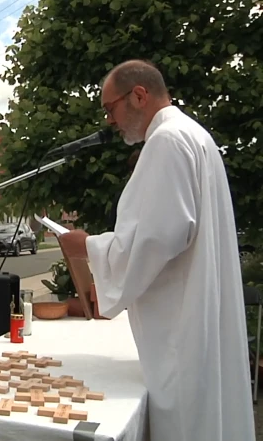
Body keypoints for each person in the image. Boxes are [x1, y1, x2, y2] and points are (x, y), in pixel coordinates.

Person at [63, 59, 254, 441]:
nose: (110, 121)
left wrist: (86, 245)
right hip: (197, 304)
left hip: (183, 325)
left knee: (188, 422)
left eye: (110, 107)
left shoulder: (166, 141)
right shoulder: (193, 134)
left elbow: (158, 237)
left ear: (138, 95)